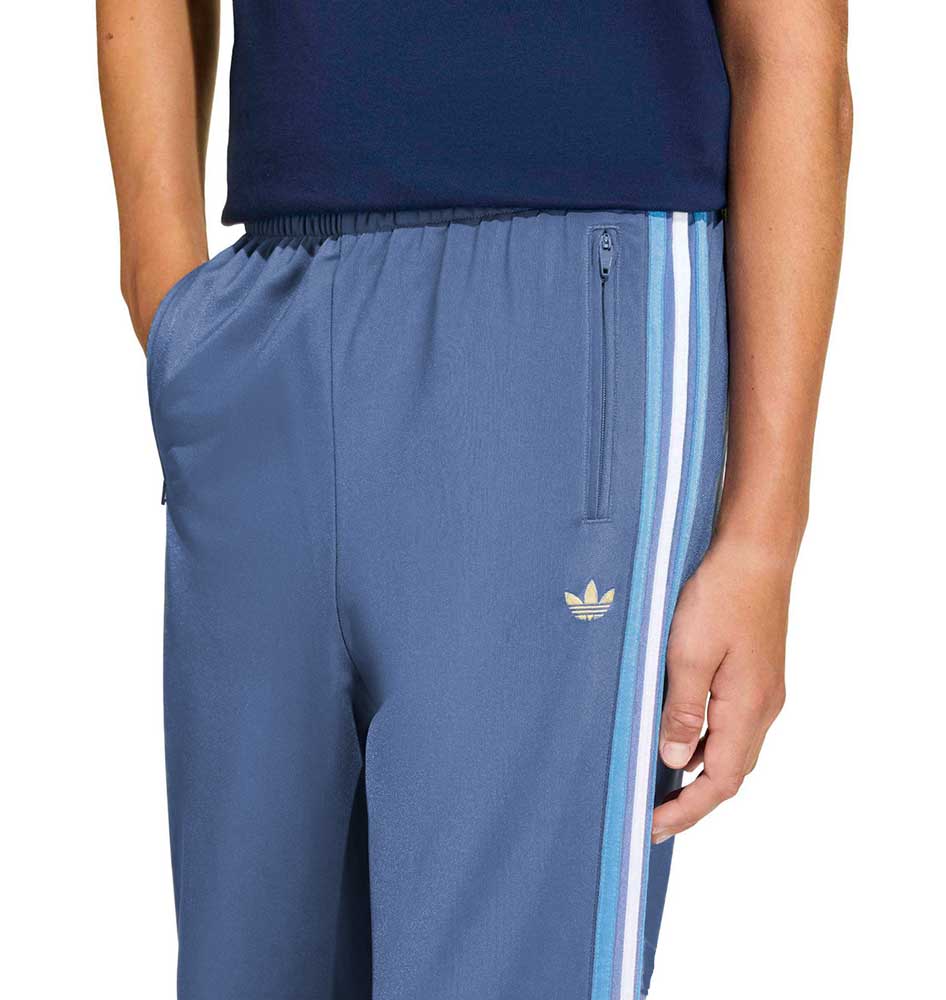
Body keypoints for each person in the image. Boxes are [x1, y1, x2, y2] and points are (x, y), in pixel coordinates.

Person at [97, 2, 851, 998]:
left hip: (560, 311)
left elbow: (790, 45)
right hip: (268, 309)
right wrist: (166, 290)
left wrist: (763, 532)